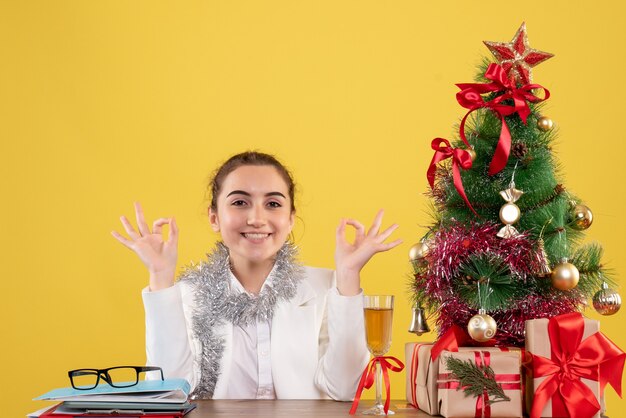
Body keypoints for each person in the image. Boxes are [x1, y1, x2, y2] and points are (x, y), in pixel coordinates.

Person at [111, 151, 402, 401]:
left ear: (290, 219)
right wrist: (161, 277)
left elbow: (345, 390)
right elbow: (170, 391)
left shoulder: (327, 289)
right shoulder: (188, 293)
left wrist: (349, 275)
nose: (256, 219)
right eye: (240, 202)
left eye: (273, 204)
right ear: (214, 217)